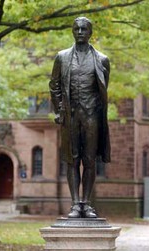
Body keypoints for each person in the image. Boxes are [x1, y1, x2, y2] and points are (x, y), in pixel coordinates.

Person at [50, 17, 110, 218]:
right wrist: (59, 111)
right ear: (72, 31)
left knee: (90, 160)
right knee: (72, 160)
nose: (80, 31)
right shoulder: (62, 57)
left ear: (90, 32)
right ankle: (76, 204)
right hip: (71, 115)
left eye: (84, 28)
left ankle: (87, 203)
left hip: (92, 115)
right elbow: (54, 85)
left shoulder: (102, 60)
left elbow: (103, 90)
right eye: (77, 28)